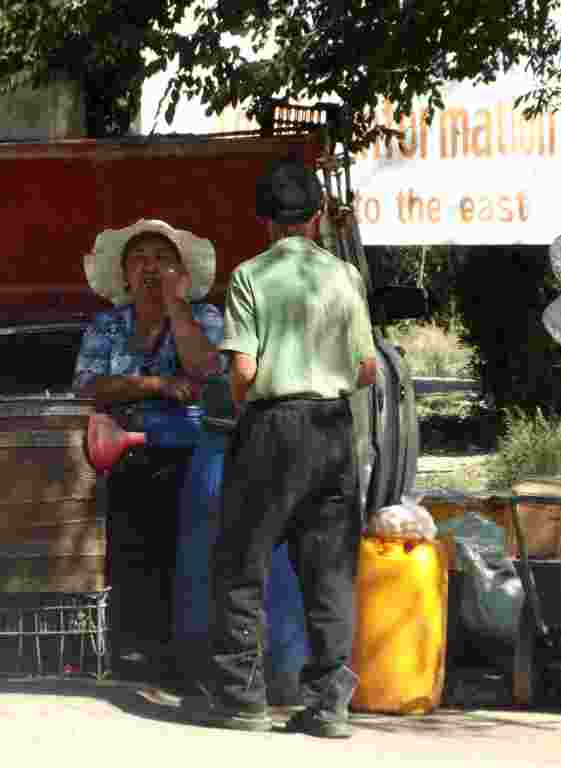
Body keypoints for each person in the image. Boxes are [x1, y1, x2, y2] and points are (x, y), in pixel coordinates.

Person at [193, 161, 377, 737]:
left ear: (264, 221)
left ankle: (241, 699)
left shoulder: (250, 276)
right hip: (332, 429)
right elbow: (368, 368)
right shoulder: (345, 276)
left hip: (271, 428)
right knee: (328, 569)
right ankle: (328, 705)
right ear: (318, 215)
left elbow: (242, 373)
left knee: (242, 563)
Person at [72, 219, 224, 684]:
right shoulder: (107, 324)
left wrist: (177, 308)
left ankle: (184, 653)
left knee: (186, 552)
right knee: (128, 549)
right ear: (123, 273)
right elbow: (87, 386)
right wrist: (153, 384)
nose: (150, 268)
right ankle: (133, 650)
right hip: (122, 456)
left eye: (162, 258)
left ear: (182, 271)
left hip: (188, 456)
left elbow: (210, 374)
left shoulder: (206, 319)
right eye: (139, 259)